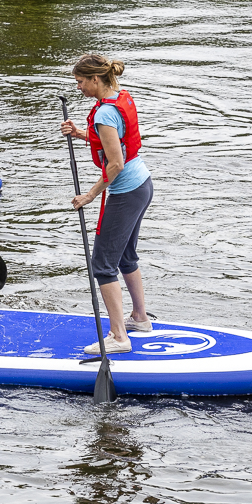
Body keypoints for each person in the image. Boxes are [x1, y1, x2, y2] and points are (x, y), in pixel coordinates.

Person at [60, 53, 154, 354]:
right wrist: (80, 134)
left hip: (127, 192)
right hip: (142, 184)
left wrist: (89, 195)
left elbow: (115, 164)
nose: (79, 88)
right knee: (125, 256)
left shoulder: (104, 113)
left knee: (102, 265)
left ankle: (118, 337)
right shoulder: (118, 97)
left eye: (80, 82)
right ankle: (139, 319)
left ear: (95, 79)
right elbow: (116, 141)